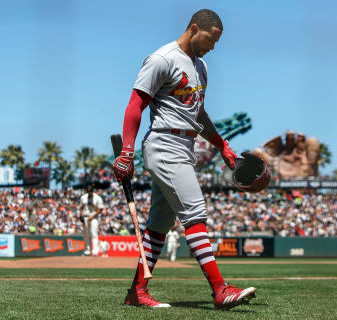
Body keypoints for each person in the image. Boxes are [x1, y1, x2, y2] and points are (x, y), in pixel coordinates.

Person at [112, 9, 257, 309]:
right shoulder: (162, 59)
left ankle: (137, 291)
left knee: (158, 226)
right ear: (193, 29)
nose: (213, 47)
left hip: (185, 145)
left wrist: (222, 145)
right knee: (195, 213)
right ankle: (220, 289)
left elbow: (199, 115)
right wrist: (127, 151)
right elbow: (135, 104)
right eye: (210, 39)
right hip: (165, 144)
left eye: (216, 42)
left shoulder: (200, 66)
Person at [79, 184, 104, 257]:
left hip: (94, 217)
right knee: (86, 234)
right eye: (88, 191)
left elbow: (100, 209)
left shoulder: (97, 198)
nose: (89, 192)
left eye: (90, 191)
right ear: (86, 191)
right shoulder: (83, 197)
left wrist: (92, 216)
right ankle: (87, 251)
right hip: (85, 216)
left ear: (93, 191)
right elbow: (81, 207)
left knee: (94, 233)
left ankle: (95, 251)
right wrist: (81, 215)